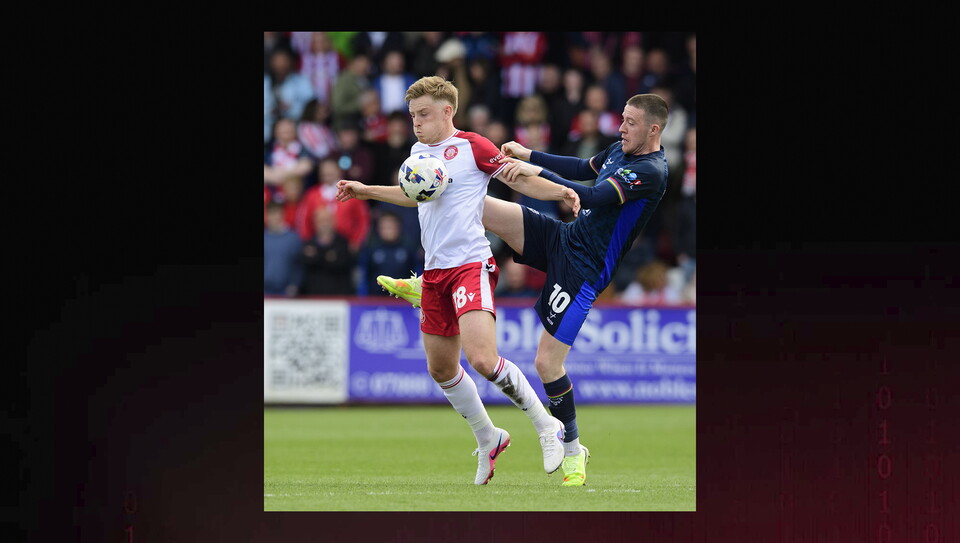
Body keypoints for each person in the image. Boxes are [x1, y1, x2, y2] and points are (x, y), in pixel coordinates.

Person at [379, 93, 671, 487]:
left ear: (653, 129)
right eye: (622, 119)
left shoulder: (651, 170)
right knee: (473, 202)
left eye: (631, 123)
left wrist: (536, 174)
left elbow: (592, 194)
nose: (621, 128)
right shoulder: (621, 149)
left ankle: (572, 450)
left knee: (547, 364)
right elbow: (584, 166)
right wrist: (529, 155)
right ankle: (433, 282)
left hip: (585, 269)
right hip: (564, 237)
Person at [336, 76, 576, 486]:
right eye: (413, 116)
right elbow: (413, 195)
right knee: (441, 367)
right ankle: (489, 437)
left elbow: (517, 178)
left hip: (471, 264)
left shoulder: (473, 146)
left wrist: (563, 192)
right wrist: (364, 191)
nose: (416, 123)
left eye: (424, 115)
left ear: (448, 111)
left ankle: (547, 427)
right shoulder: (417, 151)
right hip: (435, 272)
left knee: (483, 359)